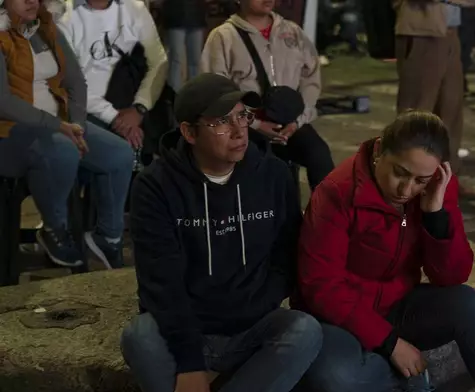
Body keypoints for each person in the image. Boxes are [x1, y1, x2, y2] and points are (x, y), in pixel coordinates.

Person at [294, 110, 475, 392]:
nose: (407, 189)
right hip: (337, 319)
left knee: (467, 303)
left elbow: (452, 277)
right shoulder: (336, 192)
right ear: (379, 150)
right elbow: (321, 286)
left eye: (420, 180)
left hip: (398, 307)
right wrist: (390, 343)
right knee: (336, 377)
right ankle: (410, 379)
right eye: (400, 173)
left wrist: (435, 215)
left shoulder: (436, 188)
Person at [120, 73, 322, 392]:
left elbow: (287, 253)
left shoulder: (273, 175)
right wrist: (189, 363)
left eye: (243, 116)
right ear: (189, 131)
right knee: (139, 335)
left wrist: (256, 301)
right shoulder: (155, 186)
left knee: (304, 330)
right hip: (186, 327)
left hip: (253, 324)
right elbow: (161, 281)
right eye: (222, 122)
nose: (239, 130)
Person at [0, 0, 133, 268]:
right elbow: (3, 102)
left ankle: (108, 237)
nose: (31, 1)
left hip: (63, 124)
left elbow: (75, 82)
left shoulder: (48, 29)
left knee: (120, 154)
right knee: (62, 150)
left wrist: (78, 125)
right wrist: (58, 126)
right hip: (10, 131)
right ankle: (53, 230)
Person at [201, 0, 335, 191]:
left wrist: (298, 120)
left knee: (319, 157)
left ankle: (328, 218)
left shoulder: (292, 32)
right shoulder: (223, 37)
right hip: (245, 126)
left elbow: (311, 77)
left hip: (292, 123)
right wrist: (254, 123)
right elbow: (214, 89)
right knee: (266, 181)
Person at [393, 0, 475, 199]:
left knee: (451, 110)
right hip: (422, 31)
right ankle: (406, 180)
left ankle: (445, 180)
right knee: (417, 112)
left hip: (450, 32)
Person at [58, 0, 168, 155]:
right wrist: (114, 117)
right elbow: (69, 82)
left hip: (133, 104)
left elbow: (158, 62)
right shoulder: (64, 14)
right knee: (118, 153)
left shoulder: (134, 7)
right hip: (86, 110)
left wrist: (140, 107)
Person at [155, 0, 207, 91]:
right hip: (175, 17)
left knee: (195, 61)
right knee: (176, 60)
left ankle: (194, 94)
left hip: (197, 17)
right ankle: (173, 95)